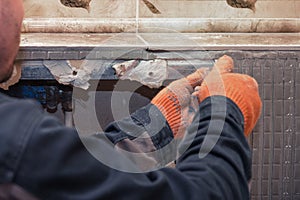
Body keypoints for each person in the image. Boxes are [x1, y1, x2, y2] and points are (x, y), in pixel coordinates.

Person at [0, 0, 262, 199]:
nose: (20, 11)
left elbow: (77, 173)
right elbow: (205, 193)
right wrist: (224, 113)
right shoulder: (15, 138)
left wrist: (157, 123)